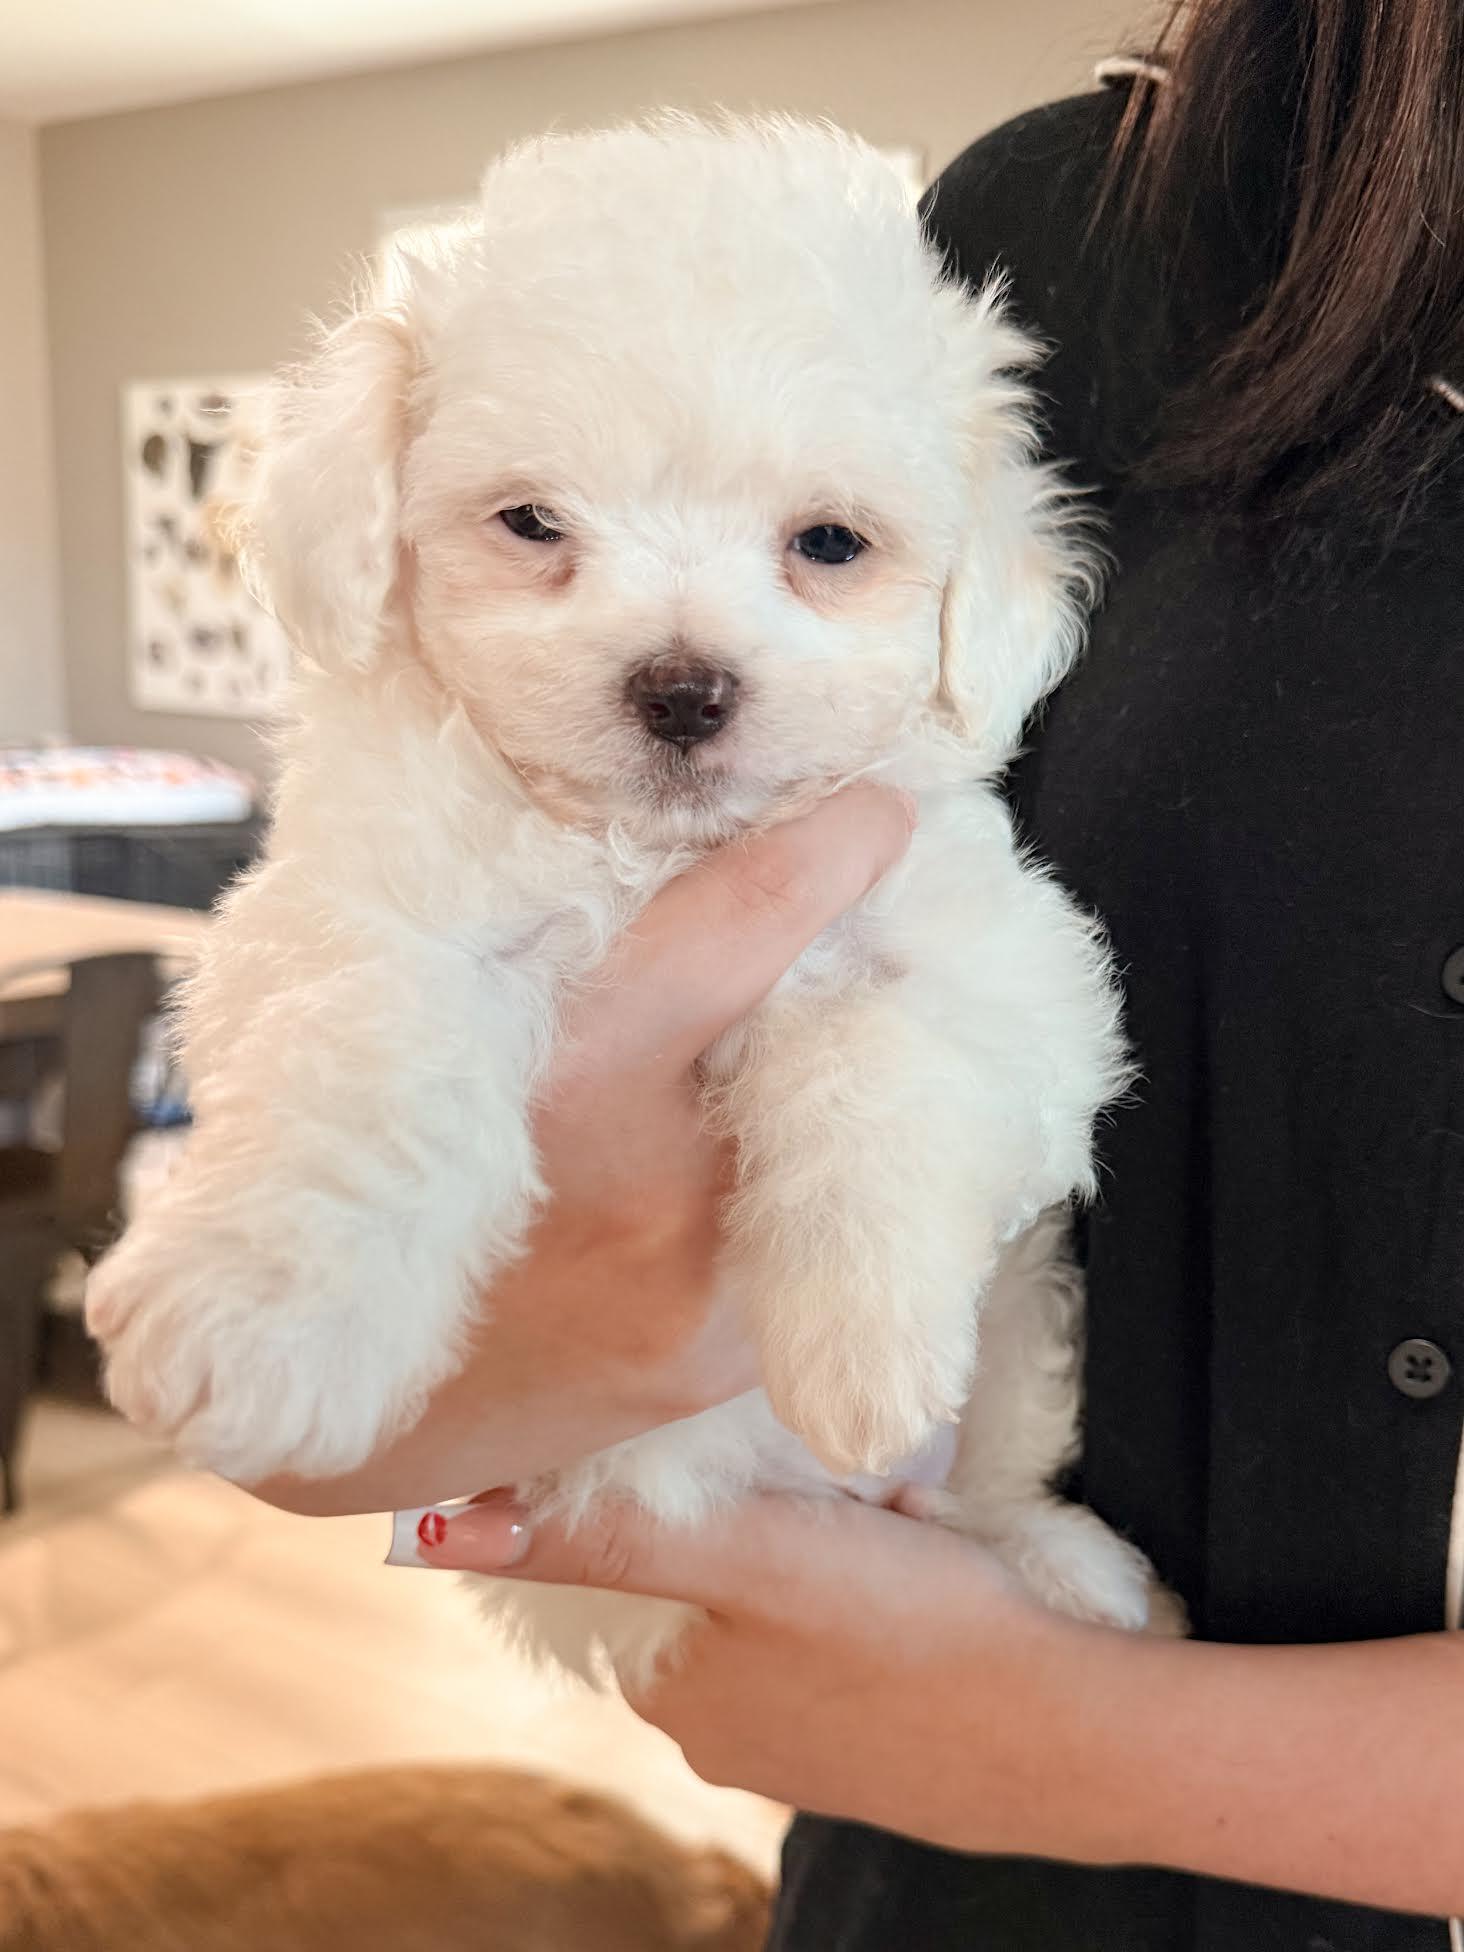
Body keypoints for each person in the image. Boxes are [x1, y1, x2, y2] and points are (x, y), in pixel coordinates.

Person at [258, 0, 1464, 1942]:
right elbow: (355, 1415)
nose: (682, 647)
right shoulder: (1084, 223)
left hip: (976, 1751)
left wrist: (1088, 1739)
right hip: (927, 1859)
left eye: (820, 541)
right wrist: (432, 1378)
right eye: (542, 530)